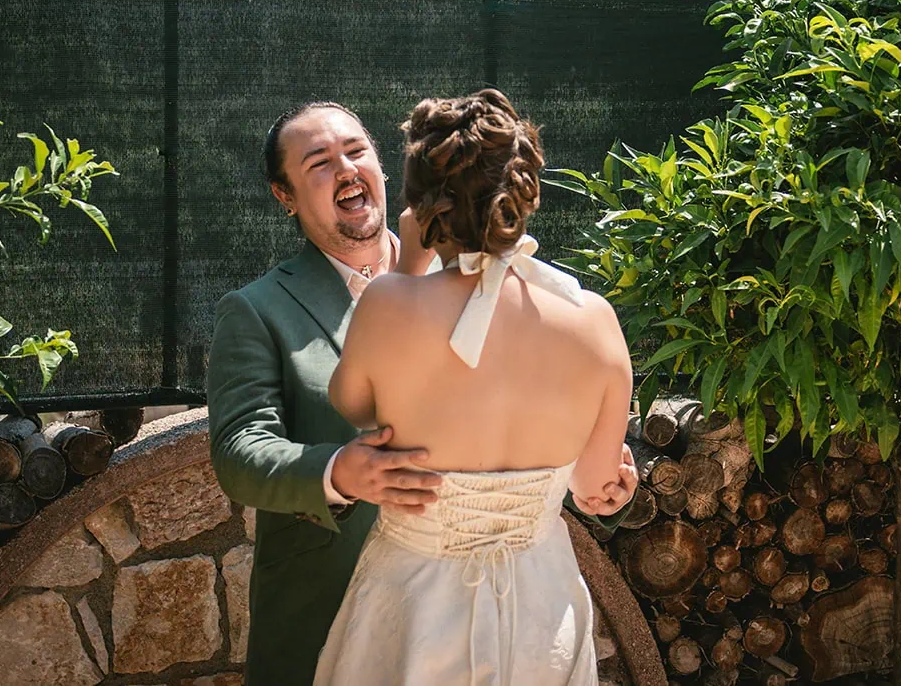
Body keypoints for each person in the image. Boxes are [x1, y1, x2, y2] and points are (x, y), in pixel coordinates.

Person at [207, 100, 635, 686]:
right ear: (285, 195)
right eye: (319, 163)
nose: (346, 168)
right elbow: (240, 451)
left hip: (434, 601)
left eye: (356, 151)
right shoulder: (256, 310)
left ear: (391, 171)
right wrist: (337, 472)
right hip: (328, 603)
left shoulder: (424, 290)